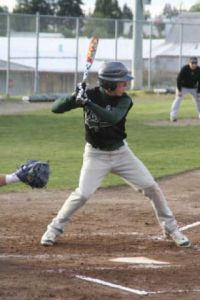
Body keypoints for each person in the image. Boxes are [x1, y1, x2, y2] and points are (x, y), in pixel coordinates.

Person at [41, 61, 191, 248]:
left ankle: (171, 228)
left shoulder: (125, 100)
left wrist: (88, 103)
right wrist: (73, 97)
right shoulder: (90, 95)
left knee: (152, 187)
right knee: (82, 194)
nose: (125, 85)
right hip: (95, 155)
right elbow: (55, 108)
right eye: (122, 82)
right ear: (110, 84)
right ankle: (53, 229)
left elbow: (112, 118)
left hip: (121, 154)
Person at [170, 56, 200, 122]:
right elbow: (178, 79)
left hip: (193, 88)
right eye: (192, 63)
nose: (194, 64)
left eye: (195, 63)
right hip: (183, 87)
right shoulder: (185, 68)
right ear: (189, 63)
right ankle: (173, 116)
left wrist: (198, 91)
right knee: (178, 99)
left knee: (198, 100)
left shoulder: (198, 69)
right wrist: (179, 90)